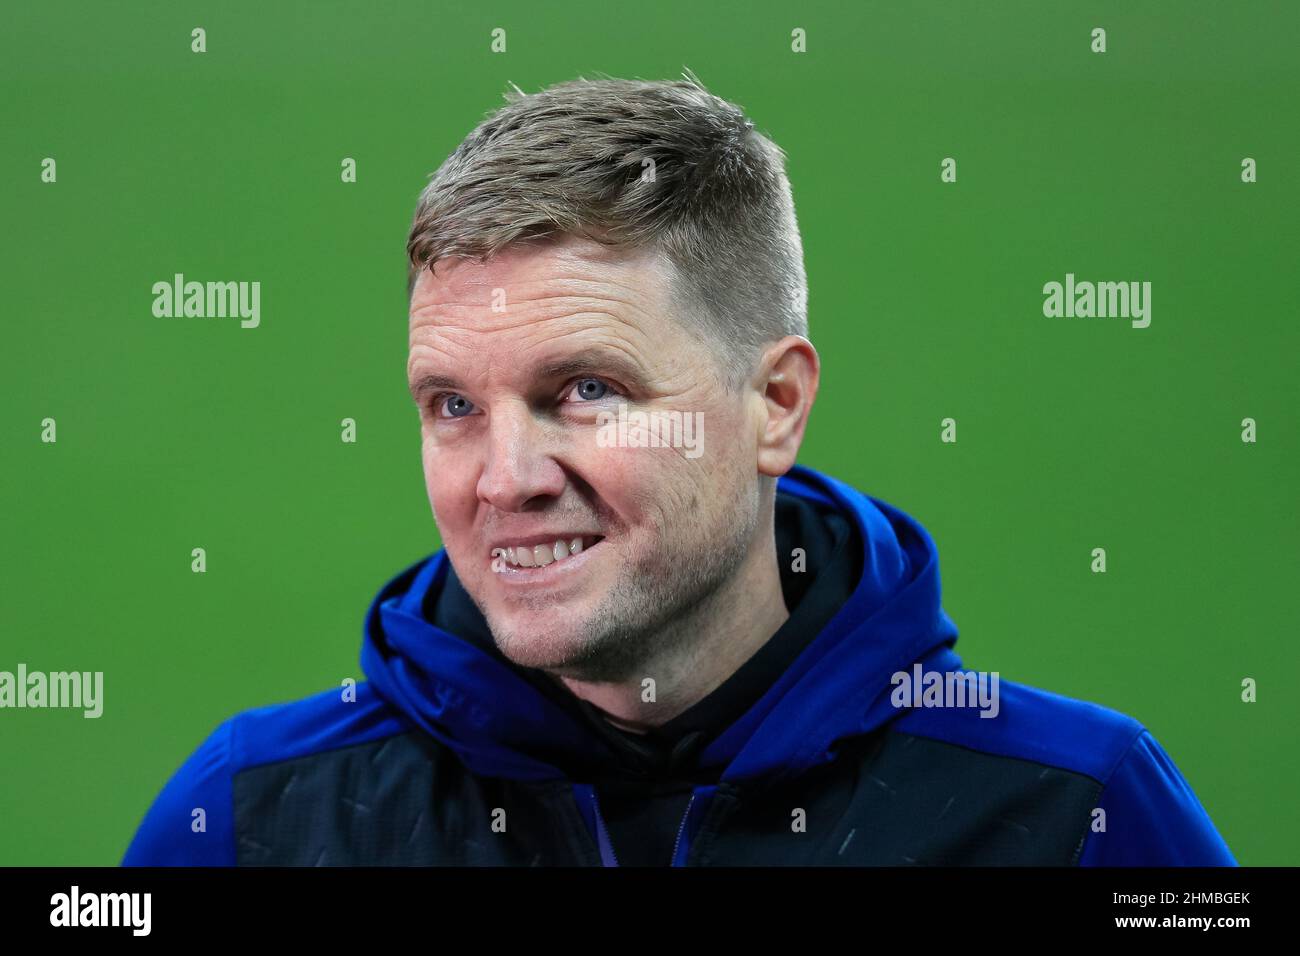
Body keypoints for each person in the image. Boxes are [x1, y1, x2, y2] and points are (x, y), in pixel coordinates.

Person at [122, 73, 1235, 866]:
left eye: (585, 391)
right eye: (454, 406)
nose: (505, 479)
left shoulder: (1075, 811)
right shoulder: (253, 817)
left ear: (775, 405)